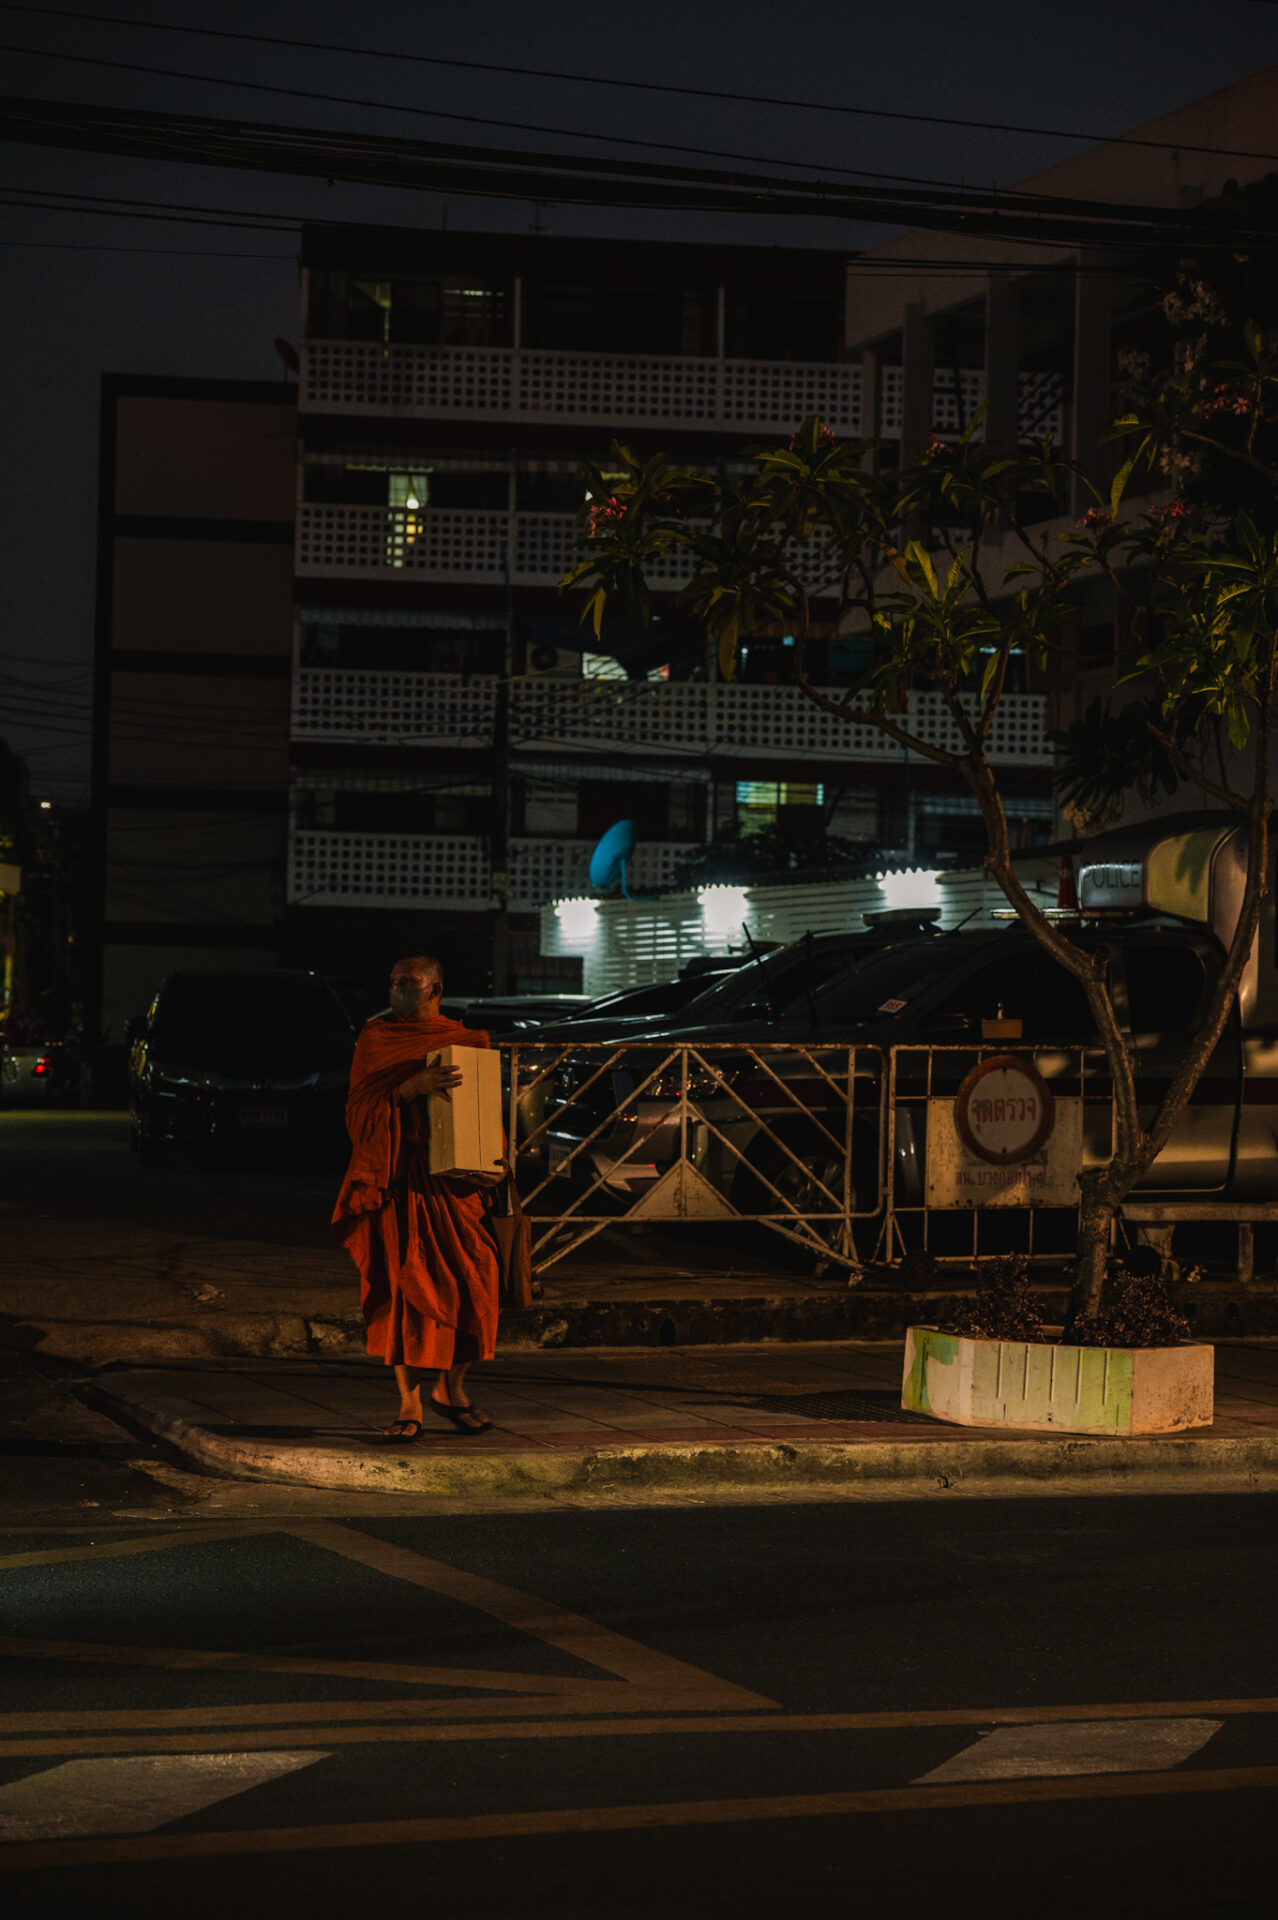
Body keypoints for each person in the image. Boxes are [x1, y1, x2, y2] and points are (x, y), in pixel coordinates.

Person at [333, 954, 505, 1441]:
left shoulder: (466, 1040)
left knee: (476, 1281)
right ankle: (409, 1402)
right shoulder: (377, 1038)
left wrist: (496, 1160)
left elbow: (484, 1109)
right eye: (393, 982)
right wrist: (410, 1087)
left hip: (454, 1187)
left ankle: (451, 1389)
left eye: (408, 983)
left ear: (434, 990)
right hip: (402, 1182)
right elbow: (357, 1112)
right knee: (405, 1289)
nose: (397, 990)